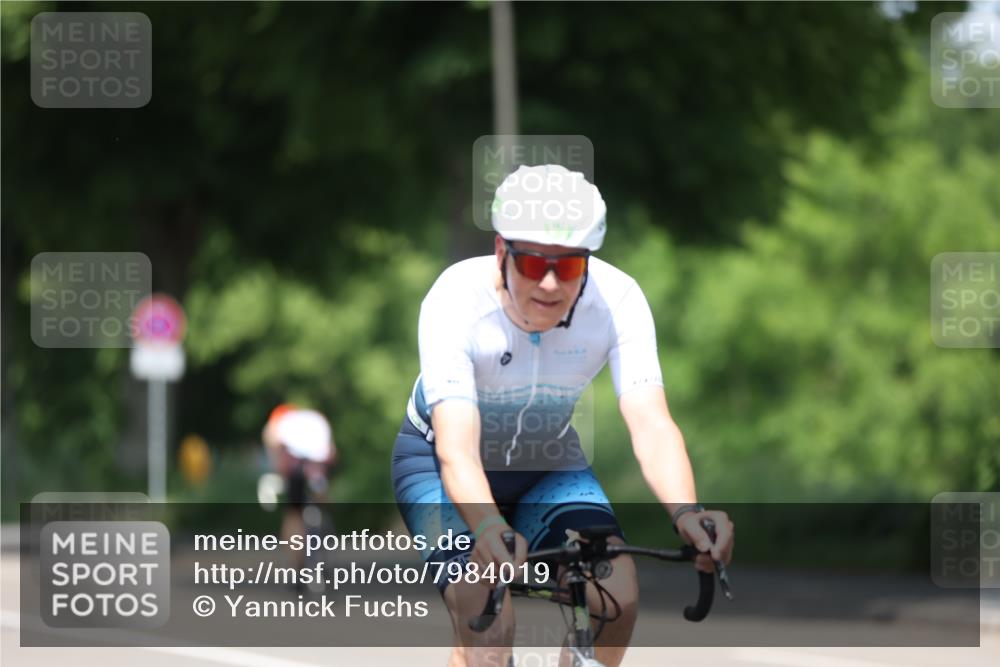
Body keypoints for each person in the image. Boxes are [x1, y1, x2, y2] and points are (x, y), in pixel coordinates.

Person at [392, 164, 734, 667]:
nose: (551, 284)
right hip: (441, 467)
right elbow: (456, 448)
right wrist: (487, 524)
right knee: (488, 623)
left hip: (548, 462)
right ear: (501, 250)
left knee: (618, 593)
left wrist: (686, 510)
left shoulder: (617, 301)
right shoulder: (455, 299)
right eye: (533, 264)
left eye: (570, 267)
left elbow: (651, 423)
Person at [263, 403, 338, 569]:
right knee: (320, 493)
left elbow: (277, 453)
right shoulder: (316, 419)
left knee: (293, 513)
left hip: (296, 468)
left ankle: (296, 563)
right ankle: (324, 512)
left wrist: (280, 473)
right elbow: (331, 453)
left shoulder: (281, 423)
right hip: (317, 465)